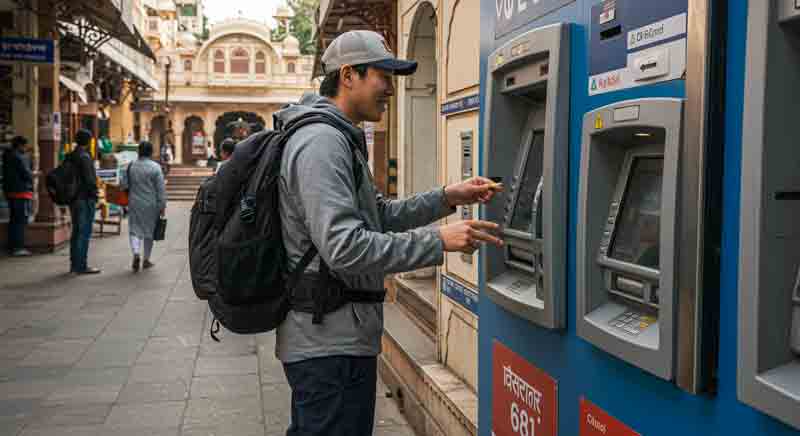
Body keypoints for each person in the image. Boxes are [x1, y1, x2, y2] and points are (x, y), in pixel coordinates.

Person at [276, 30, 503, 436]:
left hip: (340, 336)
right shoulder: (321, 143)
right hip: (327, 343)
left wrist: (448, 197)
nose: (391, 90)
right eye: (383, 76)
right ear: (349, 76)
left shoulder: (339, 136)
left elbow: (377, 216)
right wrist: (439, 242)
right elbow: (345, 248)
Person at [121, 141, 166, 272]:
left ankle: (136, 253)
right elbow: (161, 189)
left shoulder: (131, 166)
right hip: (151, 204)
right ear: (151, 152)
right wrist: (162, 204)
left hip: (134, 203)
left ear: (138, 152)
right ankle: (146, 260)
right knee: (149, 232)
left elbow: (124, 185)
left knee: (134, 230)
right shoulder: (156, 167)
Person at [69, 129, 101, 274]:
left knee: (76, 231)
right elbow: (89, 180)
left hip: (73, 198)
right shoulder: (84, 157)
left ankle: (74, 264)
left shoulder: (70, 156)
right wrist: (95, 195)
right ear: (88, 141)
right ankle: (81, 265)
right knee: (84, 232)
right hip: (84, 198)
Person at [2, 136, 33, 256]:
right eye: (24, 146)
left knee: (14, 220)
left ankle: (12, 246)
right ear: (20, 145)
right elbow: (26, 174)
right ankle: (18, 247)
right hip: (20, 192)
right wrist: (33, 175)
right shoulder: (18, 157)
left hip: (10, 192)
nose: (25, 148)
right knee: (20, 220)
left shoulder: (7, 155)